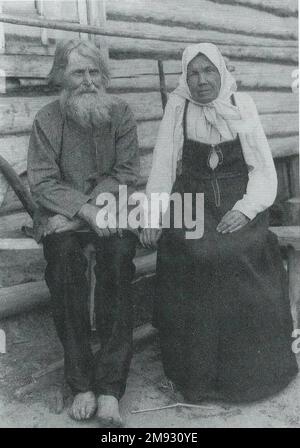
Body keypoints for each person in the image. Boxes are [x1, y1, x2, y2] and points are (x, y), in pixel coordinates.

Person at [139, 43, 298, 403]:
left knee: (241, 249)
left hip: (238, 198)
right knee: (196, 254)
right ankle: (197, 375)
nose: (202, 80)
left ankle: (252, 374)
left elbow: (262, 169)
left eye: (209, 71)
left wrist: (246, 208)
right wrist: (153, 213)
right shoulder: (178, 108)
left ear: (221, 72)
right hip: (191, 200)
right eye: (193, 73)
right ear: (186, 78)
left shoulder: (242, 106)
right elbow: (164, 166)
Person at [27, 39, 140, 426]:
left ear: (103, 76)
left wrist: (94, 209)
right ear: (61, 76)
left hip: (108, 213)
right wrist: (84, 210)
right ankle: (81, 385)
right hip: (64, 217)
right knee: (64, 267)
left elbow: (126, 173)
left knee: (119, 261)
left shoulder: (120, 113)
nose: (88, 81)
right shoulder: (46, 119)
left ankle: (110, 389)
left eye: (94, 72)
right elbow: (42, 183)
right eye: (78, 72)